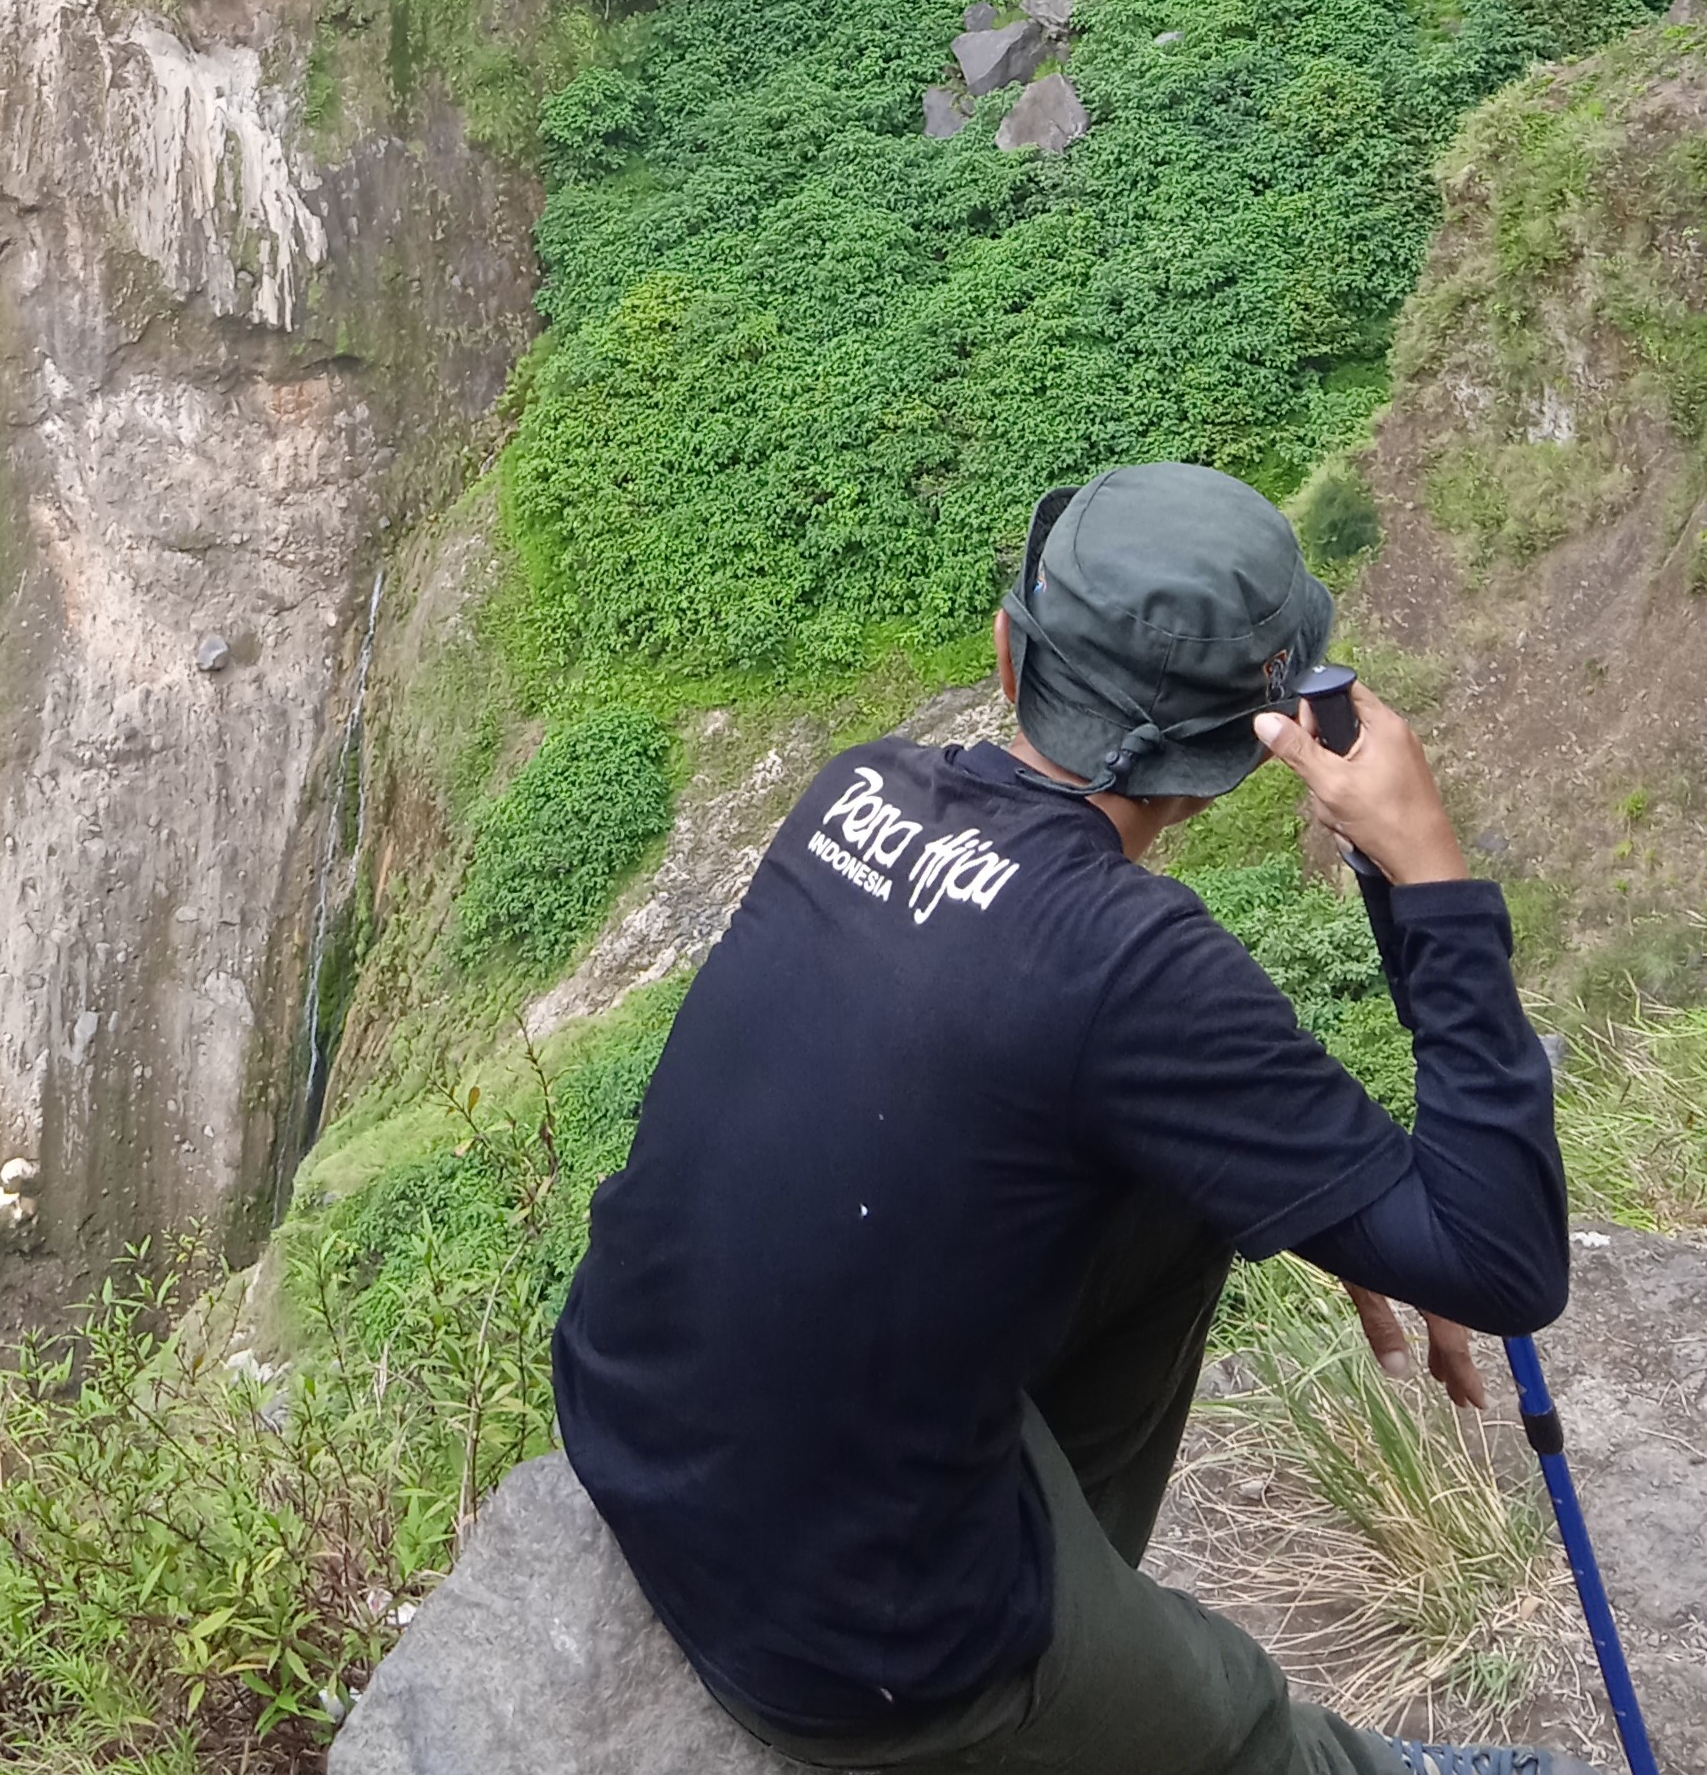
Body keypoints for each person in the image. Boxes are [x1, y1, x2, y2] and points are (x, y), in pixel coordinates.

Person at [553, 463, 1577, 1775]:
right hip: (861, 1649)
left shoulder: (852, 793)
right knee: (1251, 1727)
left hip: (634, 1422)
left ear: (1007, 650)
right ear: (1228, 768)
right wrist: (1426, 869)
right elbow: (1504, 1264)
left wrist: (1331, 1203)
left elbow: (995, 1058)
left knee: (1178, 1182)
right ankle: (1073, 1690)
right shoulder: (1132, 964)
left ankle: (1068, 1601)